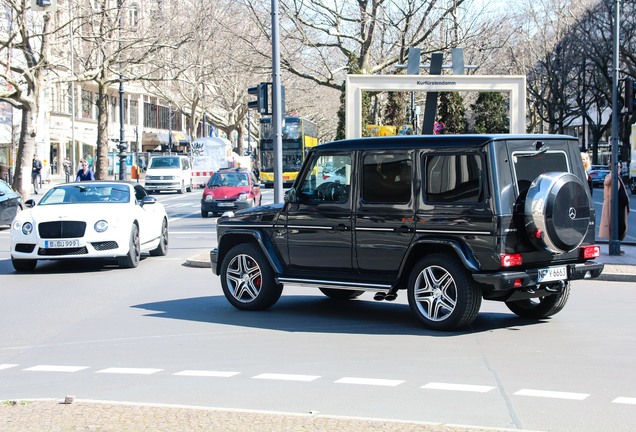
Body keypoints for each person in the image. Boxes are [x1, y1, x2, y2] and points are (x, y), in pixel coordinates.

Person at [599, 171, 630, 243]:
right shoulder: (610, 176)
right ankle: (615, 245)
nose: (619, 168)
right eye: (617, 166)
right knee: (616, 226)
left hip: (621, 206)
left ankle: (618, 244)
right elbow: (606, 182)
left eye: (619, 167)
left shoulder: (618, 177)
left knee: (622, 226)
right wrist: (613, 174)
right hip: (615, 207)